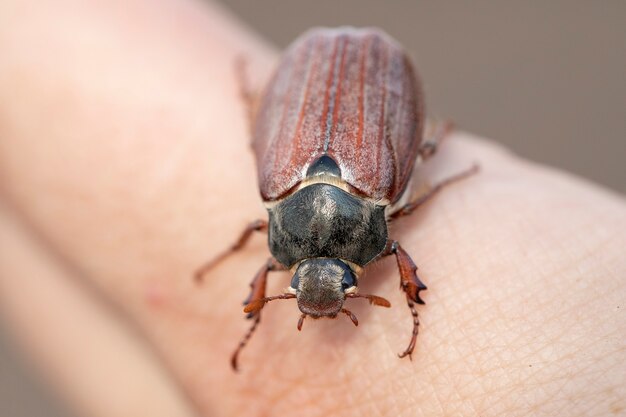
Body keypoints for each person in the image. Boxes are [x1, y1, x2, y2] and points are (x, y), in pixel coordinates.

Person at [0, 1, 624, 416]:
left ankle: (390, 144)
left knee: (402, 180)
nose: (324, 289)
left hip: (335, 72)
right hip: (351, 78)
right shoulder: (304, 210)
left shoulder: (334, 215)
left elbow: (360, 248)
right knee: (413, 179)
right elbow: (299, 253)